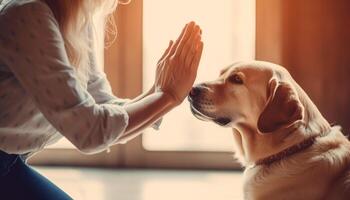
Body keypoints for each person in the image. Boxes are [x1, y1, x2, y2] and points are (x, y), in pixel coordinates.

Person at [0, 0, 203, 199]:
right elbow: (90, 131)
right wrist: (167, 97)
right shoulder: (28, 15)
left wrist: (158, 92)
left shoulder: (75, 20)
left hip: (11, 161)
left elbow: (101, 105)